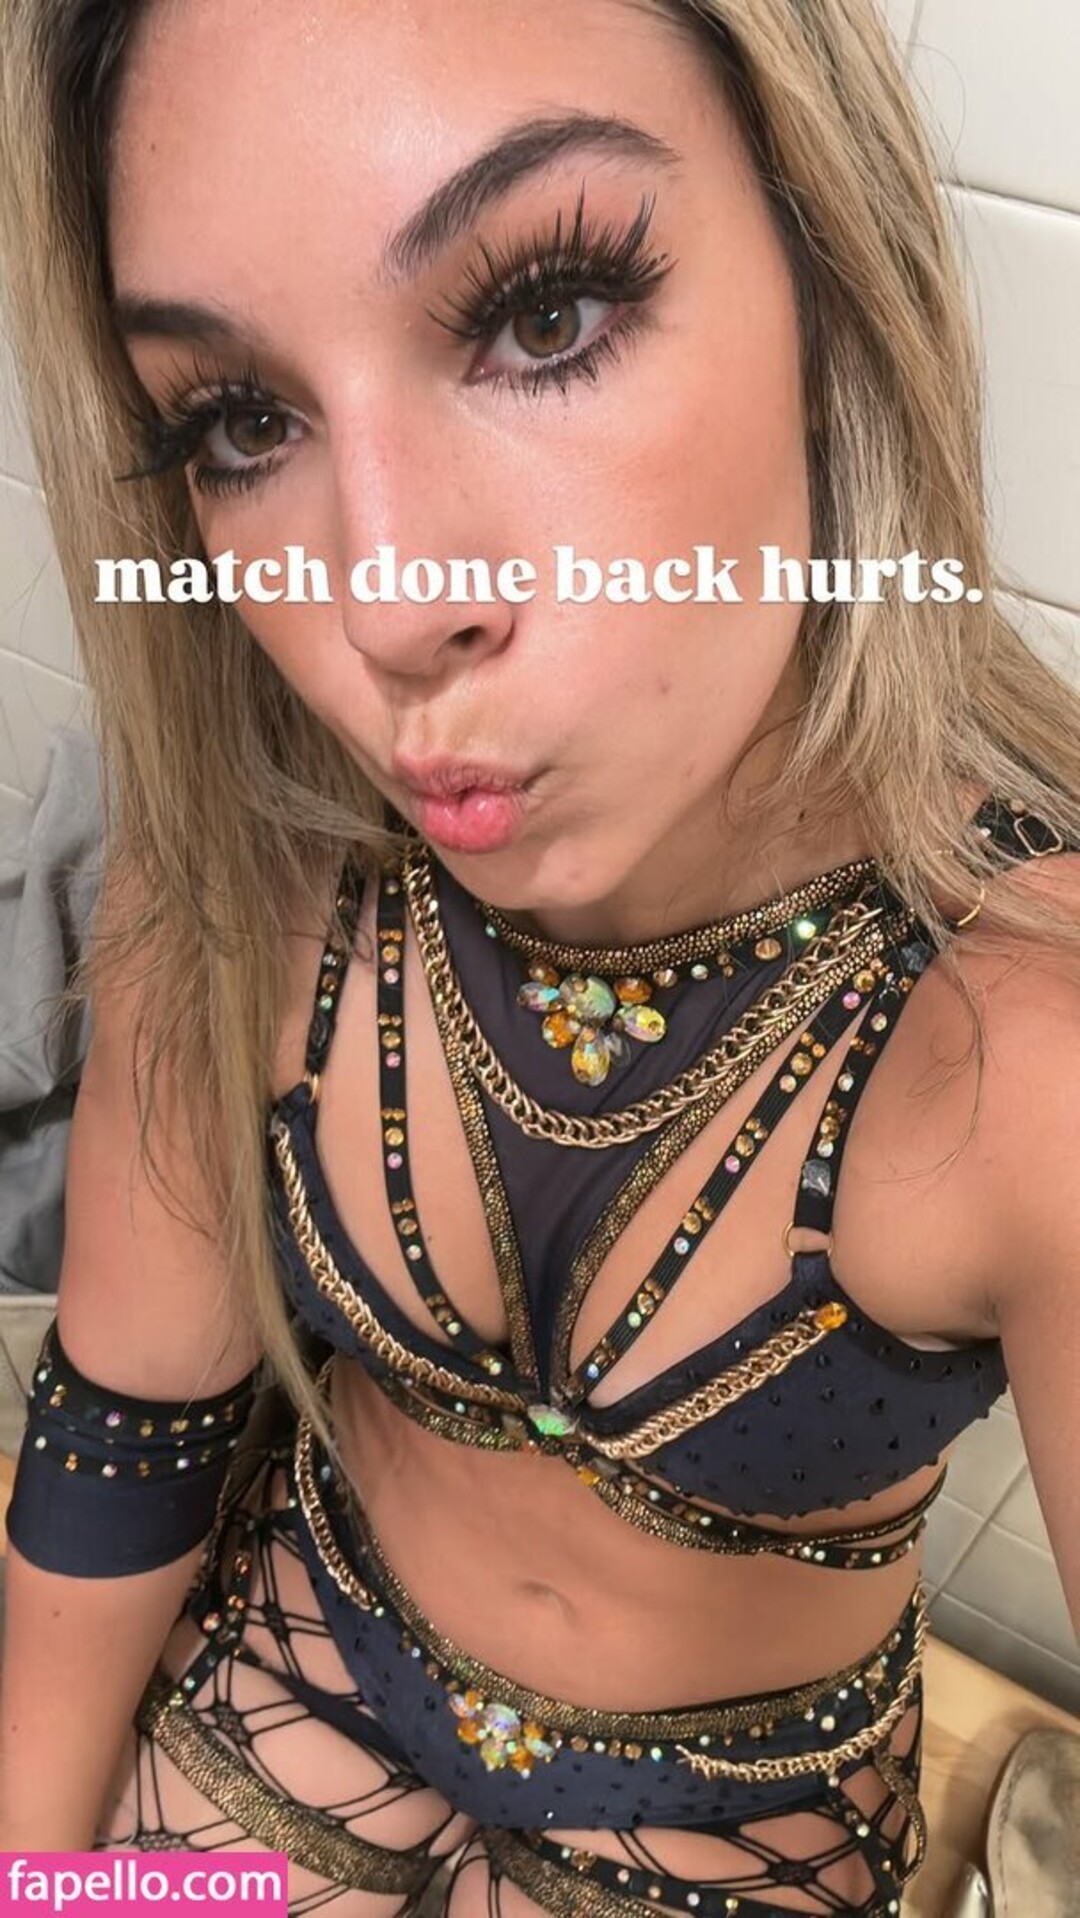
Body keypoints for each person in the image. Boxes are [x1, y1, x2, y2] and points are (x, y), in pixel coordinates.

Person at [0, 0, 1078, 1910]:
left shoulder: (1031, 1027)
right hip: (305, 1655)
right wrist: (33, 1877)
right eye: (242, 422)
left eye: (545, 314)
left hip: (739, 1807)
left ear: (827, 272)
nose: (385, 603)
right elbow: (128, 1423)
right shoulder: (242, 865)